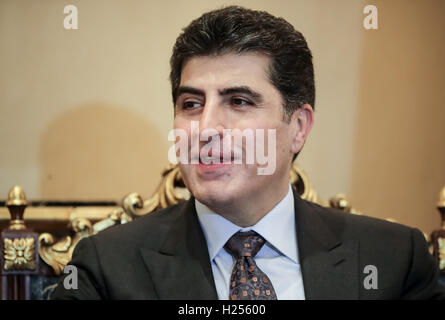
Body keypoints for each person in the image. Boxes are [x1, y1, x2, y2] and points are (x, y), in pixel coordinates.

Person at [52, 5, 445, 300]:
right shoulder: (107, 267)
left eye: (238, 101)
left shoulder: (393, 261)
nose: (205, 129)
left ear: (299, 127)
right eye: (191, 104)